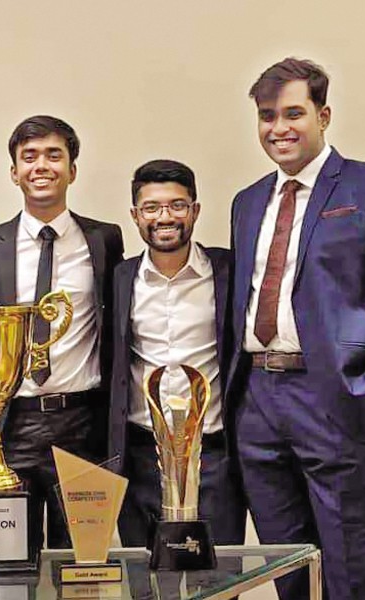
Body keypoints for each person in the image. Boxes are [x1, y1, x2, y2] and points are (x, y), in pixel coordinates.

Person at [228, 58, 365, 599]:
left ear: (324, 116)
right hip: (257, 405)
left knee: (357, 575)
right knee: (288, 570)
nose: (278, 128)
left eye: (293, 113)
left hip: (338, 401)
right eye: (266, 116)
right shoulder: (248, 201)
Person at [0, 115, 124, 550]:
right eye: (29, 157)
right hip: (8, 425)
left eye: (55, 155)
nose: (42, 166)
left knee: (84, 561)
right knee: (8, 562)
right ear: (13, 171)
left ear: (73, 169)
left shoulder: (104, 240)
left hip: (81, 424)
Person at [109, 159, 246, 547]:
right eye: (151, 207)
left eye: (177, 205)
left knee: (218, 578)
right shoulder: (120, 278)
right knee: (145, 580)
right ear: (136, 216)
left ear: (195, 210)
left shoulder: (228, 272)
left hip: (214, 455)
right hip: (140, 455)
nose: (164, 217)